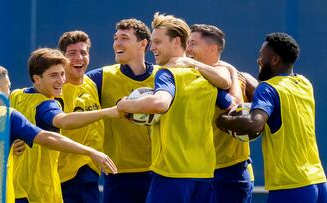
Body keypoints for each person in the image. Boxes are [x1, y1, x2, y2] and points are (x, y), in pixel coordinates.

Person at [117, 12, 233, 203]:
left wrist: (125, 105)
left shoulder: (167, 74)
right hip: (204, 173)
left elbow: (160, 103)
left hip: (171, 174)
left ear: (176, 41)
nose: (152, 47)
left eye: (157, 42)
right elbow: (232, 106)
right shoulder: (206, 76)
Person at [0, 64, 117, 203]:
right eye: (8, 87)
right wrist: (90, 151)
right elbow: (47, 137)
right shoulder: (8, 117)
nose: (9, 91)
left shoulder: (15, 98)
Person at [217, 32, 327, 203]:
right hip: (318, 182)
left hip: (291, 186)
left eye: (262, 55)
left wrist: (224, 120)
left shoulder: (267, 89)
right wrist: (237, 73)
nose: (258, 60)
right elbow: (273, 97)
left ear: (275, 60)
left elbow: (254, 124)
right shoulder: (304, 83)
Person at [10, 48, 119, 203]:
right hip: (38, 193)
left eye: (62, 74)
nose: (61, 80)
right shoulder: (45, 104)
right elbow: (63, 121)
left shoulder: (17, 95)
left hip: (15, 190)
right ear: (37, 79)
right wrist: (109, 112)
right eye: (53, 75)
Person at [86, 18, 158, 203]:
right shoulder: (101, 77)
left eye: (124, 38)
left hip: (159, 172)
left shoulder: (163, 76)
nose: (117, 43)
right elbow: (59, 93)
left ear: (143, 43)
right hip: (118, 174)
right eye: (116, 38)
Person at [185, 24, 254, 202]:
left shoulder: (236, 77)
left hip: (229, 170)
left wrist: (231, 71)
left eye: (193, 43)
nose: (187, 48)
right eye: (187, 43)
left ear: (213, 48)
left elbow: (236, 110)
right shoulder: (190, 76)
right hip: (198, 170)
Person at [56, 30, 105, 203]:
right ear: (62, 58)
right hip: (63, 176)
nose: (79, 58)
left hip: (89, 170)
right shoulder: (56, 90)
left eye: (83, 52)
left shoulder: (91, 84)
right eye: (72, 53)